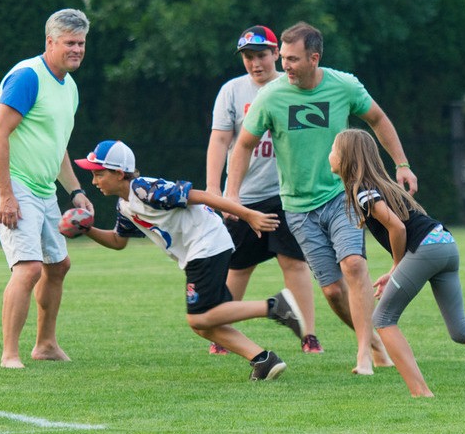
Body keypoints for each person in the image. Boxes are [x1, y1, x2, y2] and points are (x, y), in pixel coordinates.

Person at [227, 22, 404, 375]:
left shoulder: (344, 85)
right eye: (284, 58)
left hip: (343, 195)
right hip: (297, 207)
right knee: (333, 293)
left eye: (292, 59)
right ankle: (371, 342)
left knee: (354, 265)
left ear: (314, 57)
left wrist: (402, 164)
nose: (285, 65)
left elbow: (378, 119)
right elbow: (244, 144)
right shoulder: (271, 96)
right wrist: (232, 193)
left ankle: (363, 358)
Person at [329, 128, 465, 397]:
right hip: (444, 243)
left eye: (333, 150)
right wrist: (396, 267)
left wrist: (397, 265)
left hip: (426, 249)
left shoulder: (363, 191)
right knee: (460, 330)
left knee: (383, 318)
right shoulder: (380, 185)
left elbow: (398, 228)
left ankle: (420, 392)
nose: (330, 155)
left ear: (347, 158)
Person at [73, 139, 305, 381]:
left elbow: (202, 196)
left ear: (119, 173)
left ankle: (275, 307)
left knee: (198, 317)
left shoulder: (146, 189)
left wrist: (248, 215)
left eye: (98, 174)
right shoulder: (125, 205)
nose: (94, 181)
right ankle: (263, 360)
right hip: (202, 248)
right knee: (202, 325)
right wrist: (86, 229)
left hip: (206, 243)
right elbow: (118, 241)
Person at [0, 8, 94, 369]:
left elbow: (55, 145)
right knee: (29, 267)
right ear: (50, 42)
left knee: (58, 264)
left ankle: (45, 345)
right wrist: (6, 195)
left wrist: (75, 191)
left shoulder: (69, 86)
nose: (76, 49)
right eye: (69, 43)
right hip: (13, 182)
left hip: (44, 187)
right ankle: (9, 354)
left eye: (81, 43)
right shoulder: (27, 77)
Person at [206, 25, 320, 355]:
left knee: (293, 262)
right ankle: (222, 333)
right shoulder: (232, 91)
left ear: (276, 55)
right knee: (237, 266)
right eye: (248, 57)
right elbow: (220, 139)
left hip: (286, 195)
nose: (255, 63)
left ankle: (308, 335)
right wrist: (218, 189)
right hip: (243, 196)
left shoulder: (292, 87)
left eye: (261, 55)